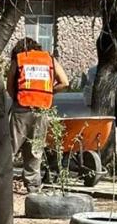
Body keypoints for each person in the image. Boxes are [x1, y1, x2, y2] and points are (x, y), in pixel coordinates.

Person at [6, 37, 69, 193]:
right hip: (42, 110)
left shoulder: (19, 59)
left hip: (22, 108)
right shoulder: (49, 60)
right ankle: (33, 186)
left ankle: (2, 181)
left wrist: (16, 98)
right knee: (35, 149)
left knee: (11, 147)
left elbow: (9, 85)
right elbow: (65, 82)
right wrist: (48, 92)